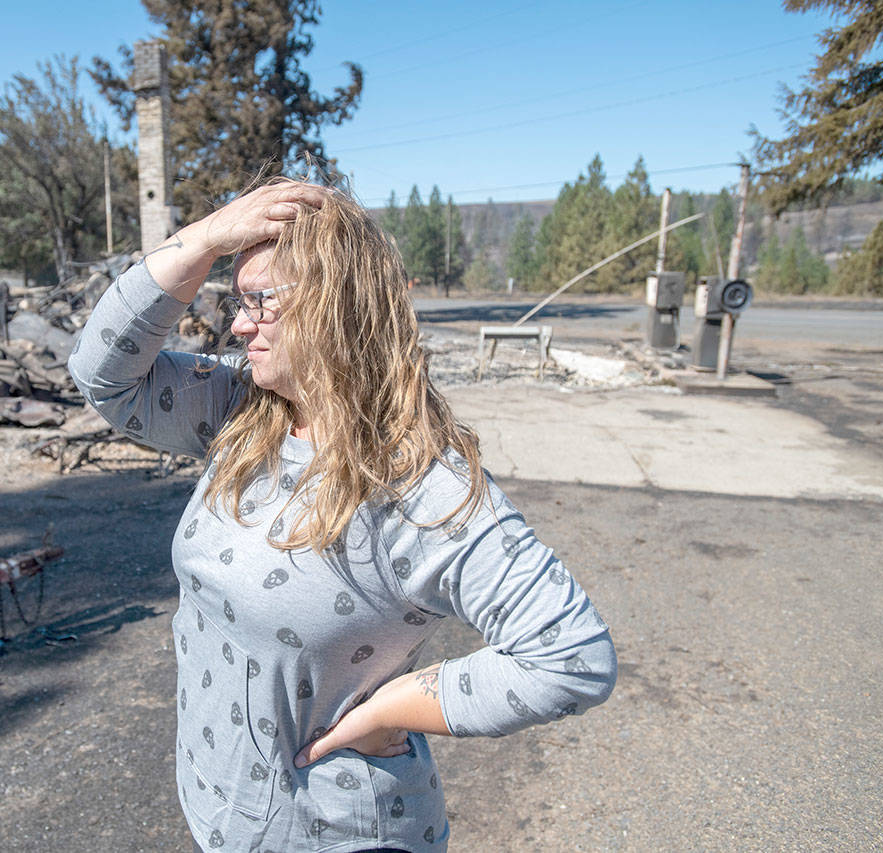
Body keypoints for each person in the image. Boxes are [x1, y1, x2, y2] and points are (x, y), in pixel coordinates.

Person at [68, 179, 616, 852]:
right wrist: (208, 234)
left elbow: (572, 656)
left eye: (259, 301)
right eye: (238, 303)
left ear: (337, 306)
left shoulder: (417, 484)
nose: (239, 326)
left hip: (332, 833)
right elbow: (101, 375)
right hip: (219, 809)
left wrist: (392, 706)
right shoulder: (241, 411)